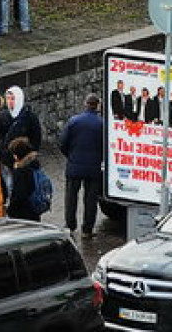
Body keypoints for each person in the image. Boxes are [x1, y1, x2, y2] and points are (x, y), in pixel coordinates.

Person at [59, 93, 104, 238]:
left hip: (74, 165)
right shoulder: (102, 124)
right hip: (93, 167)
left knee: (71, 197)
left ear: (86, 104)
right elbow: (106, 147)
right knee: (90, 200)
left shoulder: (74, 121)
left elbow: (62, 143)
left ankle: (70, 226)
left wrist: (71, 156)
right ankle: (87, 229)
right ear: (97, 105)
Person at [0, 87, 42, 165]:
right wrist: (2, 152)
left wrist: (30, 154)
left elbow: (36, 137)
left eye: (12, 99)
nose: (9, 102)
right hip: (7, 160)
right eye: (7, 99)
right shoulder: (3, 116)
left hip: (25, 159)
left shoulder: (30, 117)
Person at [6, 136, 43, 221]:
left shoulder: (20, 171)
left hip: (22, 213)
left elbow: (19, 195)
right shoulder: (34, 165)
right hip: (34, 209)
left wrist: (10, 210)